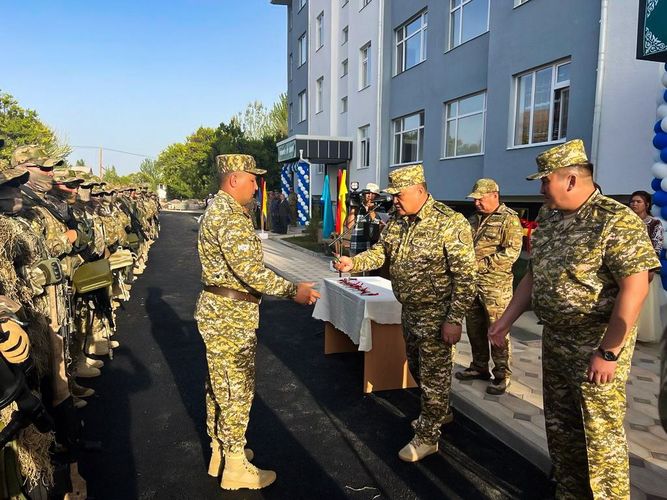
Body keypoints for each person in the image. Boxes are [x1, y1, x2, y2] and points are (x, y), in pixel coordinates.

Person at [488, 139, 660, 499]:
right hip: (555, 338)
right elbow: (534, 275)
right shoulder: (549, 217)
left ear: (570, 179)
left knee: (600, 435)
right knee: (561, 424)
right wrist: (506, 320)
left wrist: (609, 351)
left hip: (595, 343)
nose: (540, 188)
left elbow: (635, 287)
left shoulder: (615, 220)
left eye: (545, 180)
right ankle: (570, 491)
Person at [334, 164, 477, 462]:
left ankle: (427, 436)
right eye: (393, 195)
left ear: (420, 190)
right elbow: (381, 252)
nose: (394, 200)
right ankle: (439, 411)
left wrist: (454, 319)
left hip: (437, 314)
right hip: (409, 311)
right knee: (417, 368)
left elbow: (465, 277)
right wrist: (354, 262)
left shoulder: (450, 223)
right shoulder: (399, 221)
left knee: (434, 376)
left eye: (399, 195)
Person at [194, 153, 320, 490]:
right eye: (252, 179)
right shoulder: (229, 216)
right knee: (236, 389)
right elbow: (250, 272)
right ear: (234, 179)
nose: (256, 186)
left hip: (222, 311)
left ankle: (221, 451)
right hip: (230, 316)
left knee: (219, 386)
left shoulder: (221, 210)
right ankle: (235, 465)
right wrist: (293, 290)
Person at [455, 178, 522, 394]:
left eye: (480, 199)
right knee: (474, 328)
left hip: (496, 286)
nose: (476, 203)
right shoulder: (474, 219)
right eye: (474, 199)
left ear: (495, 195)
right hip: (472, 284)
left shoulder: (509, 219)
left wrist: (481, 265)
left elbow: (511, 253)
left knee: (497, 330)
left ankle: (502, 374)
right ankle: (479, 366)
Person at [629, 190, 664, 343]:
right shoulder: (626, 221)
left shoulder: (654, 223)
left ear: (647, 204)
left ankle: (641, 333)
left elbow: (657, 246)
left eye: (638, 202)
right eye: (632, 201)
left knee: (645, 303)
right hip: (628, 266)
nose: (634, 204)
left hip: (646, 267)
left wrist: (650, 269)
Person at [347, 182, 383, 256]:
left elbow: (379, 225)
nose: (369, 195)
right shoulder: (358, 208)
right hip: (356, 248)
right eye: (368, 193)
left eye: (373, 194)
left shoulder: (380, 208)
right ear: (363, 194)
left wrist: (371, 210)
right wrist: (353, 207)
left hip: (371, 250)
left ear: (377, 196)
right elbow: (349, 226)